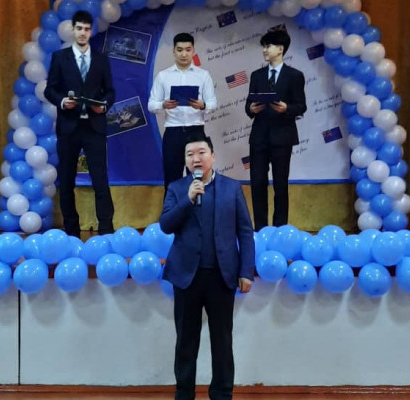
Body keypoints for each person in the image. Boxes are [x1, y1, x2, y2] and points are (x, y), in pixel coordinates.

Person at [159, 130, 254, 400]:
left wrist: (246, 271)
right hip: (186, 277)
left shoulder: (232, 188)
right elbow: (166, 225)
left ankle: (222, 393)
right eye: (190, 154)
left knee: (222, 341)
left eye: (201, 152)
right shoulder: (177, 189)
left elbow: (245, 232)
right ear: (185, 161)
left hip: (222, 277)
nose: (196, 158)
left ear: (213, 156)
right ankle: (184, 393)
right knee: (186, 341)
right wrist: (188, 200)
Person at [44, 10, 115, 237]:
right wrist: (63, 101)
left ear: (91, 31)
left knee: (100, 181)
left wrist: (104, 105)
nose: (83, 33)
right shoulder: (59, 58)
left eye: (87, 29)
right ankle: (71, 232)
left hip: (94, 127)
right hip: (68, 128)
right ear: (73, 30)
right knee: (66, 182)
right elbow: (50, 90)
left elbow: (110, 91)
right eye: (79, 28)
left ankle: (106, 231)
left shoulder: (101, 59)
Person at [245, 29, 307, 231]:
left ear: (280, 49)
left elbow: (301, 105)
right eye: (263, 46)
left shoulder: (295, 76)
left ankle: (280, 229)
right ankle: (260, 229)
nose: (265, 50)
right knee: (257, 184)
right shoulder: (256, 75)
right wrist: (251, 109)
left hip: (283, 137)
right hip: (259, 137)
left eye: (268, 46)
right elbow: (248, 105)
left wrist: (287, 108)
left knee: (281, 185)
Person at [148, 33, 217, 193]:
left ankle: (199, 209)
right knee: (172, 180)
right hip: (173, 132)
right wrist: (163, 104)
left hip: (196, 131)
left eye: (187, 50)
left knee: (199, 179)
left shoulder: (203, 75)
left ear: (193, 51)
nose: (184, 54)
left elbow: (213, 103)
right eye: (179, 50)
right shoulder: (163, 76)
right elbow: (151, 105)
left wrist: (203, 105)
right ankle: (172, 209)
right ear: (173, 51)